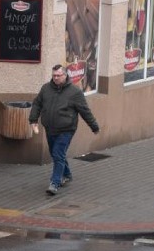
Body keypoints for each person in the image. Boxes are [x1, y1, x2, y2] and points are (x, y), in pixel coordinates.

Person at [28, 64, 100, 195]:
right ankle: (67, 174)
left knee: (57, 153)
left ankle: (54, 183)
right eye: (53, 75)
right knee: (57, 154)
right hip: (50, 128)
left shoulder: (75, 92)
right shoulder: (46, 89)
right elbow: (37, 103)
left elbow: (85, 111)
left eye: (58, 75)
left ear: (65, 75)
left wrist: (94, 126)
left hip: (66, 129)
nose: (55, 78)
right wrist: (33, 120)